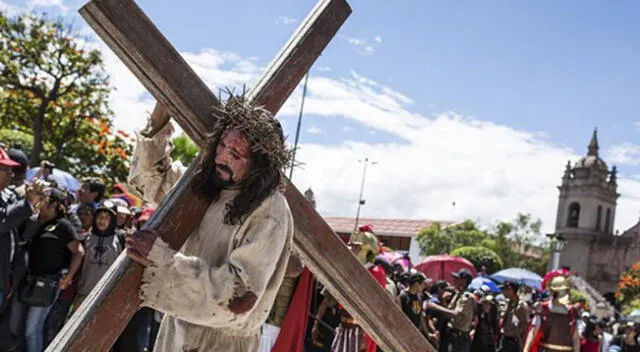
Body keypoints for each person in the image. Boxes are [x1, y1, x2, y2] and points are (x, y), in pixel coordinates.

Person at [124, 97, 294, 352]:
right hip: (176, 330)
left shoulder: (269, 209)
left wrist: (160, 256)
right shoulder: (206, 186)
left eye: (235, 153)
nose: (222, 157)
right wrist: (159, 120)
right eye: (222, 145)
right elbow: (149, 180)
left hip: (220, 343)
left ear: (260, 165)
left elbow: (238, 295)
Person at [9, 188, 84, 352]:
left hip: (48, 283)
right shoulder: (34, 222)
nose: (40, 202)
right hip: (27, 280)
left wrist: (68, 277)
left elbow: (78, 251)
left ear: (54, 205)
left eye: (44, 199)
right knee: (15, 324)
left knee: (32, 329)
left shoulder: (63, 226)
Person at [523, 275, 581, 352]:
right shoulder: (543, 309)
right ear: (554, 292)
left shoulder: (572, 312)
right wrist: (526, 349)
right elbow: (533, 332)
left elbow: (576, 338)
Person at [425, 268, 475, 352]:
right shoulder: (457, 294)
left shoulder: (467, 297)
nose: (454, 280)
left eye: (457, 278)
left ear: (464, 281)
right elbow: (448, 314)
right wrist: (443, 301)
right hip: (451, 334)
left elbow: (454, 314)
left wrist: (434, 306)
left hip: (459, 337)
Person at [499, 281, 530, 352]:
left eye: (505, 290)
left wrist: (524, 348)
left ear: (511, 290)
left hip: (514, 343)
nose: (503, 292)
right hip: (505, 340)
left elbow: (526, 328)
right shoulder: (509, 303)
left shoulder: (521, 306)